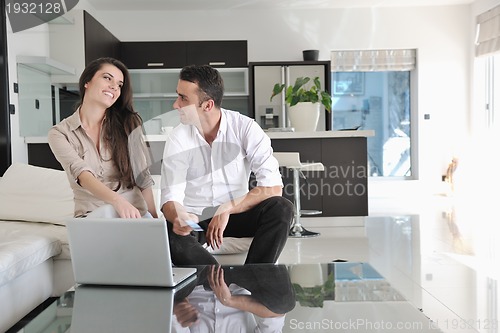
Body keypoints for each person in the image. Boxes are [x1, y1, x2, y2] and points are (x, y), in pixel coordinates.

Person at [160, 64, 293, 265]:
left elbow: (273, 187)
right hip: (196, 219)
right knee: (169, 234)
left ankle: (255, 275)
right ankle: (217, 279)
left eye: (183, 98)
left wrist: (227, 208)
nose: (175, 105)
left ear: (207, 105)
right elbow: (171, 198)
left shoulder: (245, 128)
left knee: (282, 208)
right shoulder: (178, 137)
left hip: (236, 214)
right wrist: (179, 216)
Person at [48, 57, 158, 219]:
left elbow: (142, 177)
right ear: (87, 82)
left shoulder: (128, 124)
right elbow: (83, 176)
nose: (114, 86)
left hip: (135, 215)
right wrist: (117, 201)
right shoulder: (60, 134)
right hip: (92, 216)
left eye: (120, 85)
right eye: (107, 78)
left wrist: (155, 220)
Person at [171, 264, 296, 332]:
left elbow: (171, 307)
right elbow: (276, 314)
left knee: (182, 232)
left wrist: (180, 305)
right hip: (238, 278)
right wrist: (228, 300)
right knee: (283, 302)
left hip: (196, 279)